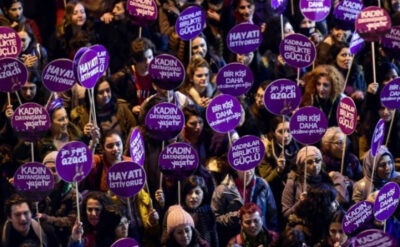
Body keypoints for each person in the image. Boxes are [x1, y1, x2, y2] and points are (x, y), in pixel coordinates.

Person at [211, 166, 278, 246]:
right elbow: (214, 218)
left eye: (251, 167)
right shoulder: (222, 190)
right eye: (243, 168)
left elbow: (272, 213)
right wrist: (236, 216)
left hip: (261, 237)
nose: (248, 171)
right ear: (236, 169)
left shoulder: (262, 184)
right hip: (236, 240)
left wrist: (272, 237)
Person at [282, 146, 349, 218]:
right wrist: (300, 203)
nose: (315, 165)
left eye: (318, 161)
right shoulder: (293, 182)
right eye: (309, 162)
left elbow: (338, 207)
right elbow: (285, 214)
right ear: (301, 166)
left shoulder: (327, 180)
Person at [70, 76, 136, 143]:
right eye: (101, 92)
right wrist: (84, 135)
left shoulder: (121, 107)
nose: (105, 95)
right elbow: (76, 143)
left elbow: (134, 132)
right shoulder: (82, 114)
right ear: (93, 95)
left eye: (108, 90)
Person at [38, 151, 78, 247]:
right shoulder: (39, 190)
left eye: (54, 169)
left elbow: (71, 221)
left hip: (64, 236)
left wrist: (47, 218)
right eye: (48, 170)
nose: (51, 173)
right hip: (44, 235)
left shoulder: (74, 194)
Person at [181, 175, 218, 246]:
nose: (193, 196)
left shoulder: (208, 212)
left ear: (203, 194)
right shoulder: (177, 212)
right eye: (189, 193)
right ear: (184, 194)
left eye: (197, 192)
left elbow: (214, 239)